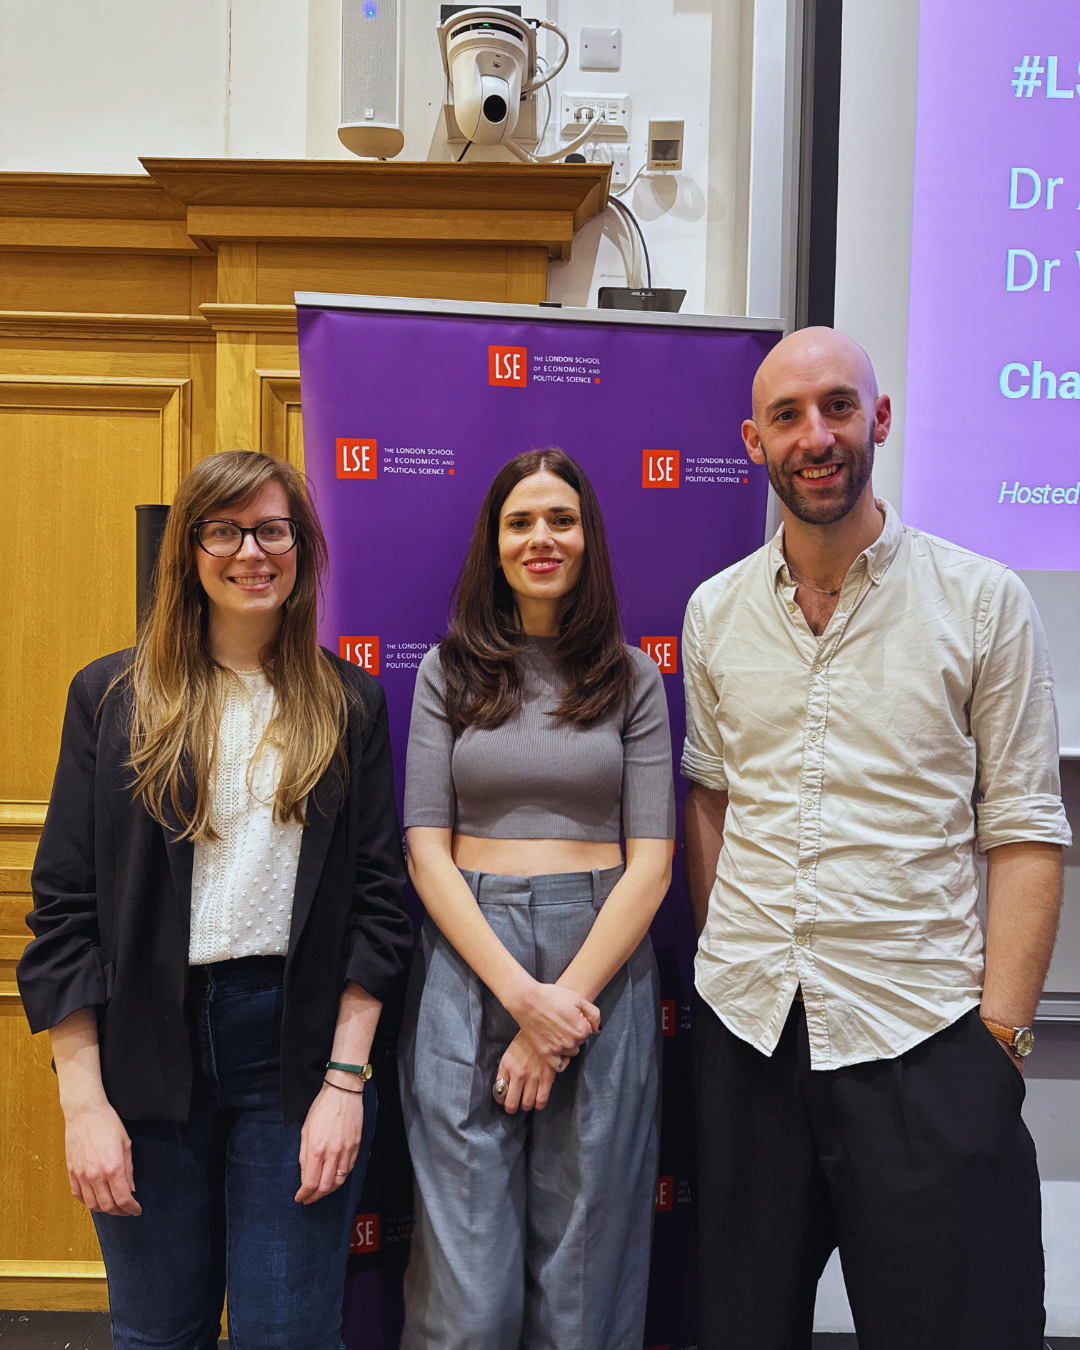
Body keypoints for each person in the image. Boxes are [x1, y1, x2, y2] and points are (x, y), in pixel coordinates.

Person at [681, 328, 1071, 1350]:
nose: (818, 436)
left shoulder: (983, 603)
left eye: (839, 408)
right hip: (750, 1040)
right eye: (789, 416)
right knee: (741, 1330)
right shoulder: (714, 613)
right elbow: (712, 802)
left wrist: (1001, 1044)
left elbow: (1028, 830)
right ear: (753, 442)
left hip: (926, 1043)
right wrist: (733, 956)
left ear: (879, 420)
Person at [17, 450, 411, 1350]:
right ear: (189, 550)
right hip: (144, 1044)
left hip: (295, 1049)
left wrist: (345, 1082)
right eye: (225, 530)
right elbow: (65, 909)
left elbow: (379, 909)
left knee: (288, 1333)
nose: (251, 552)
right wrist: (84, 1104)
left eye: (273, 530)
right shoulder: (112, 697)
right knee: (159, 1333)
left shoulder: (348, 703)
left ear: (302, 548)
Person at [398, 448, 675, 1350]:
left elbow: (654, 862)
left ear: (588, 538)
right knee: (466, 1298)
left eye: (560, 519)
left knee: (584, 1289)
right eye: (521, 522)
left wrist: (562, 1015)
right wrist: (524, 1003)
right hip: (469, 961)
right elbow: (424, 850)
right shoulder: (448, 671)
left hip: (602, 968)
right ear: (496, 543)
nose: (541, 538)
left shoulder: (632, 677)